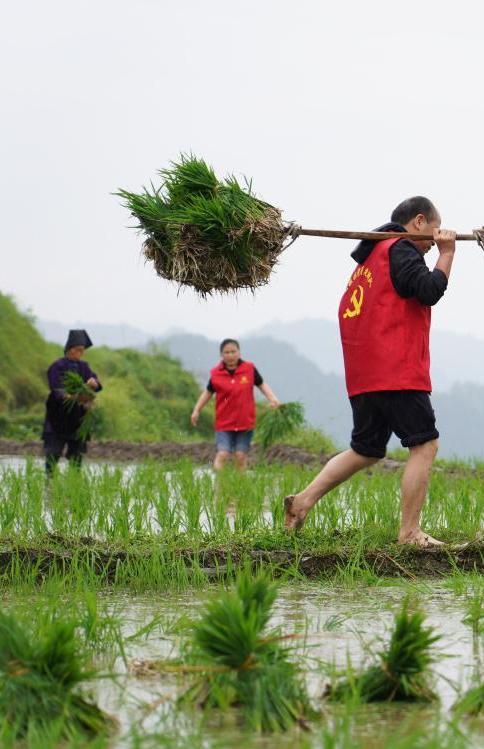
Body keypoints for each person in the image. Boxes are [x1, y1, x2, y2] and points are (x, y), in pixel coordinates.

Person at [283, 196, 457, 547]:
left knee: (367, 449)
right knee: (425, 445)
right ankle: (409, 532)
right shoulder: (402, 248)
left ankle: (302, 502)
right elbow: (428, 290)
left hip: (364, 377)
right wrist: (447, 254)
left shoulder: (368, 263)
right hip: (396, 370)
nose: (433, 242)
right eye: (434, 232)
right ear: (420, 222)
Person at [190, 338, 281, 470]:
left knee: (240, 456)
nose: (230, 355)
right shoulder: (216, 374)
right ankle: (219, 486)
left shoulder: (249, 369)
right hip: (224, 423)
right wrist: (196, 410)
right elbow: (208, 393)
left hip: (245, 422)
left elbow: (261, 384)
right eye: (227, 352)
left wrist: (273, 399)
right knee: (222, 454)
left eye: (233, 351)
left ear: (239, 353)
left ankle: (241, 487)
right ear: (221, 354)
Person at [43, 329, 102, 475]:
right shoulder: (57, 366)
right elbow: (56, 389)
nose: (80, 354)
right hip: (58, 416)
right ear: (70, 349)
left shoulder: (84, 367)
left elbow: (97, 384)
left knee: (76, 455)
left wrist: (94, 383)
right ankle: (49, 479)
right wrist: (69, 396)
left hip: (77, 418)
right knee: (53, 452)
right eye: (78, 350)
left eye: (82, 351)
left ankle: (74, 482)